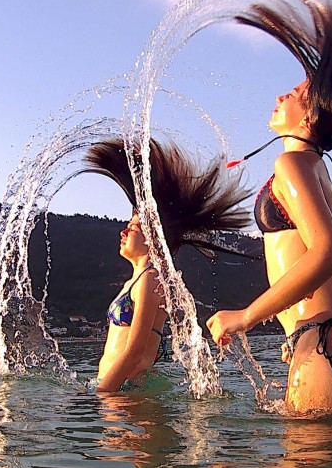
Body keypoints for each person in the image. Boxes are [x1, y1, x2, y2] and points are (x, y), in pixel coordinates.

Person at [207, 0, 332, 412]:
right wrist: (307, 322)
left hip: (327, 338)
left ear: (310, 117)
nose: (284, 94)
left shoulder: (294, 164)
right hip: (330, 336)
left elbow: (329, 254)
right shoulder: (313, 170)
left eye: (298, 93)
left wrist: (246, 316)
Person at [82, 137, 251, 392]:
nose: (124, 232)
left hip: (125, 392)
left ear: (154, 240)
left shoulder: (150, 279)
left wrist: (104, 393)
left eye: (134, 227)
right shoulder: (135, 280)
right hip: (117, 388)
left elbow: (136, 351)